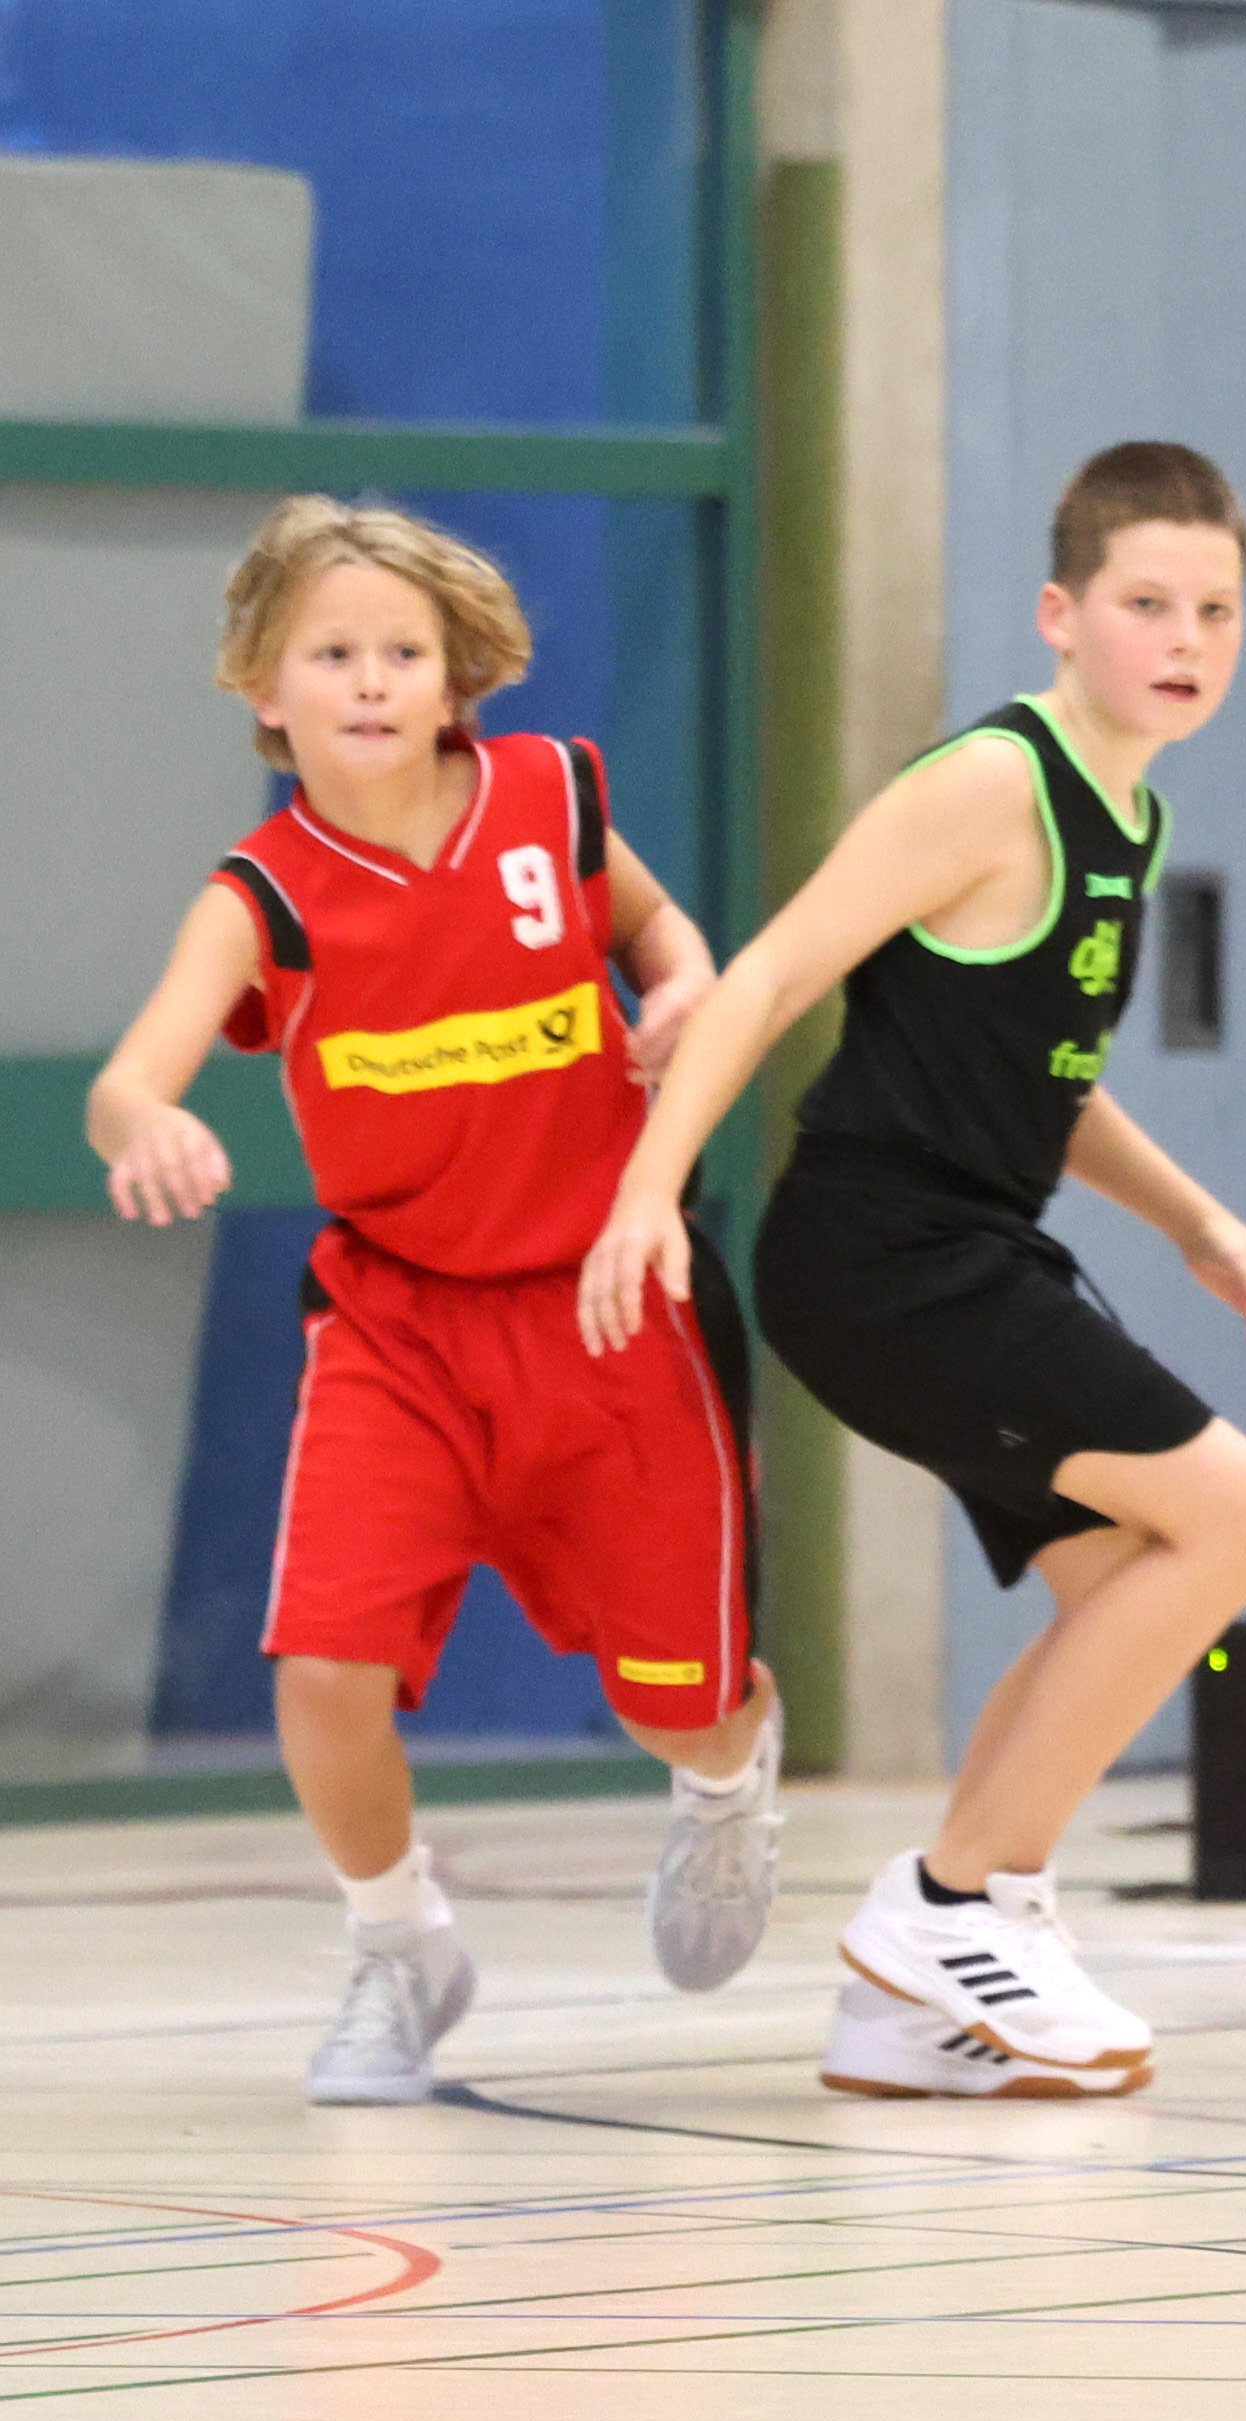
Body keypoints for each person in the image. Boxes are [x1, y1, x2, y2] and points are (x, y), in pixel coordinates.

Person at [579, 442, 1246, 2101]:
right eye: (1146, 604)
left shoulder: (1131, 808)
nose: (1184, 639)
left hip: (971, 1246)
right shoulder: (992, 782)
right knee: (1240, 1514)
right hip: (878, 1254)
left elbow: (1043, 1078)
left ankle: (920, 2002)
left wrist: (1198, 1222)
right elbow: (767, 978)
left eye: (1216, 611)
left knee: (1128, 1573)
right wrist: (645, 1191)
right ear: (1060, 612)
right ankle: (950, 1905)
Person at [85, 497, 776, 2103]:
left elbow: (657, 929)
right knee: (322, 1672)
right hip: (399, 1326)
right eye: (332, 652)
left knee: (677, 1706)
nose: (372, 679)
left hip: (612, 1305)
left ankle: (728, 1782)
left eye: (403, 651)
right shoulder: (262, 892)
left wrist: (680, 981)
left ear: (457, 677)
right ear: (263, 687)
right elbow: (129, 1078)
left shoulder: (549, 797)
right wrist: (146, 1125)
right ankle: (401, 1945)